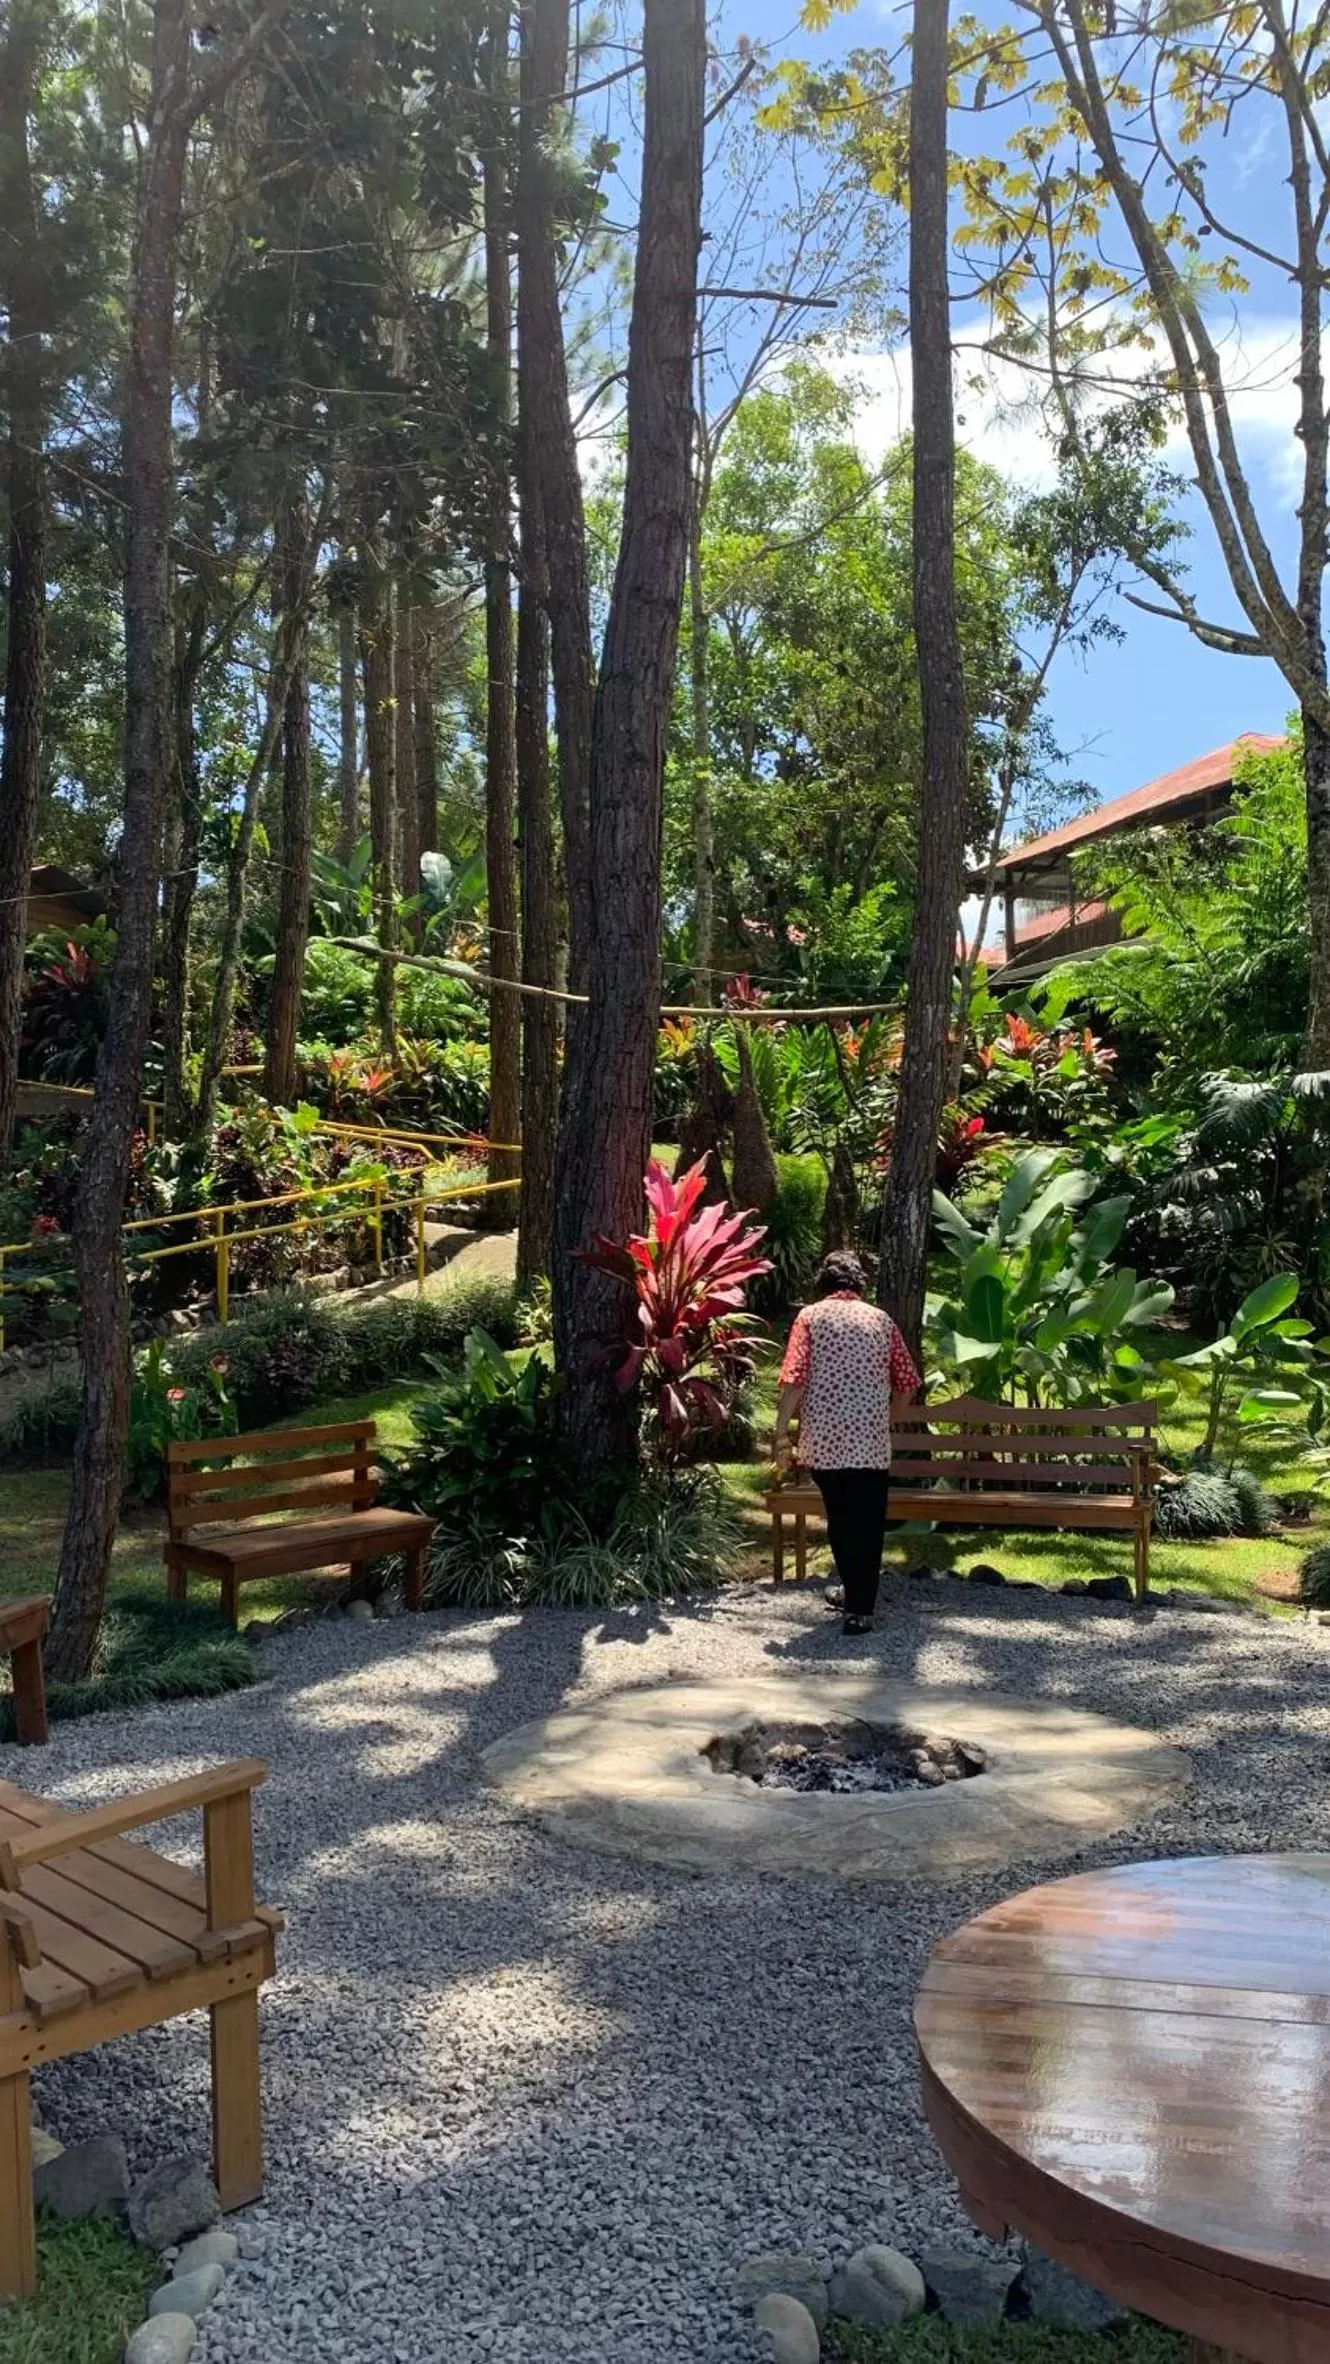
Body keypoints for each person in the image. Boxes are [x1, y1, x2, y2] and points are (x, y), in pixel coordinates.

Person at [772, 1250, 921, 1635]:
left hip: (825, 1440)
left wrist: (779, 1431)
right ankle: (861, 1607)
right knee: (869, 1522)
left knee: (840, 1518)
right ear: (859, 1285)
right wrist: (889, 1420)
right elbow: (908, 1382)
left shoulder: (810, 1318)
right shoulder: (881, 1320)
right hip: (870, 1442)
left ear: (824, 1284)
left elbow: (795, 1377)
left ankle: (852, 1595)